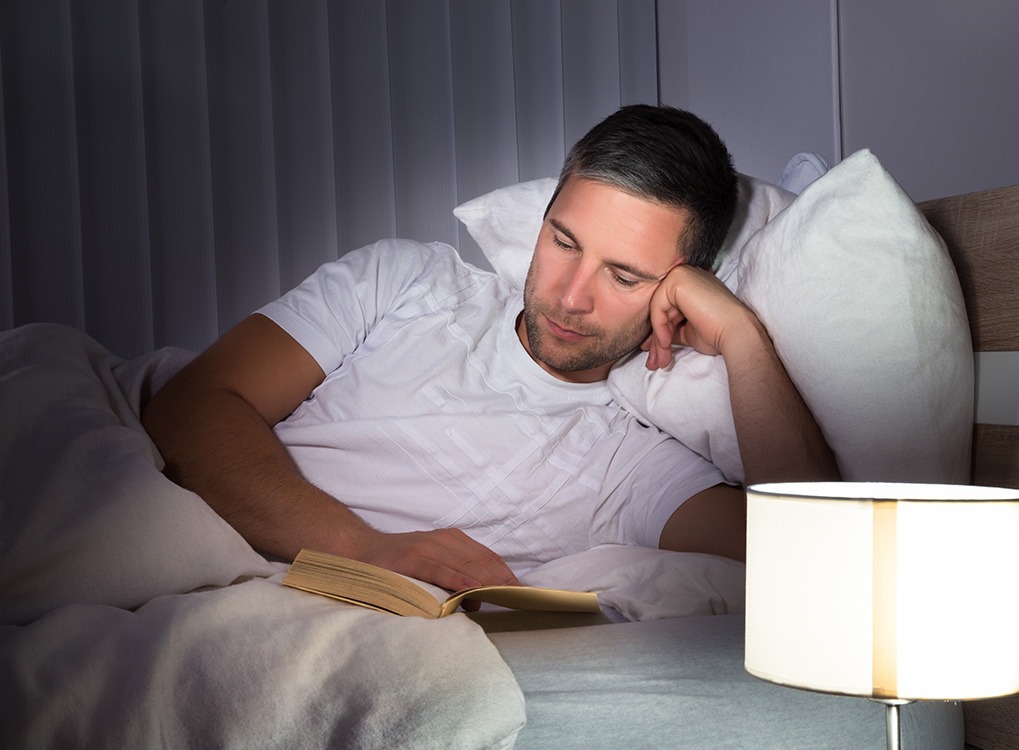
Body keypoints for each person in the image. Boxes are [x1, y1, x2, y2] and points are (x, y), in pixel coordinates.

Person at [143, 105, 839, 596]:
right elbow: (187, 408)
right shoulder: (407, 280)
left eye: (623, 276)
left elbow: (819, 555)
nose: (569, 296)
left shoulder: (629, 464)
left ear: (679, 290)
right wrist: (363, 549)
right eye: (563, 242)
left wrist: (741, 337)